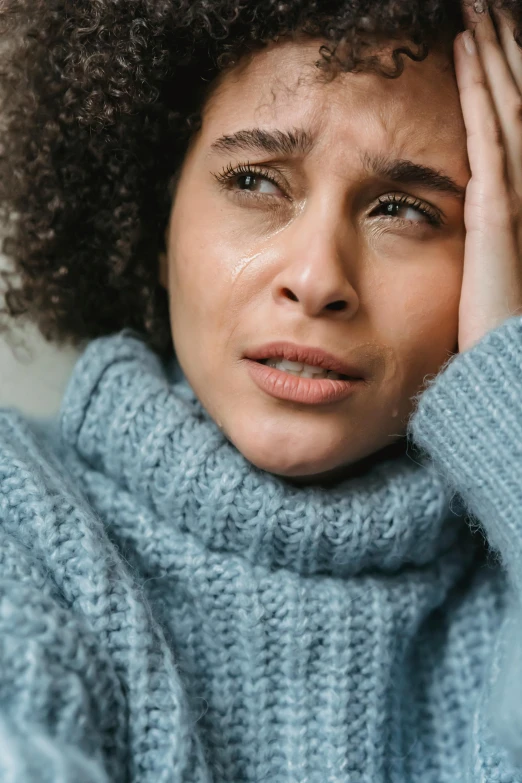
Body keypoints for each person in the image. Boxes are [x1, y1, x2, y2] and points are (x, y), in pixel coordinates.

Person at [0, 0, 522, 779]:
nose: (316, 280)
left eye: (404, 208)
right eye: (254, 181)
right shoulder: (20, 519)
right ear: (158, 209)